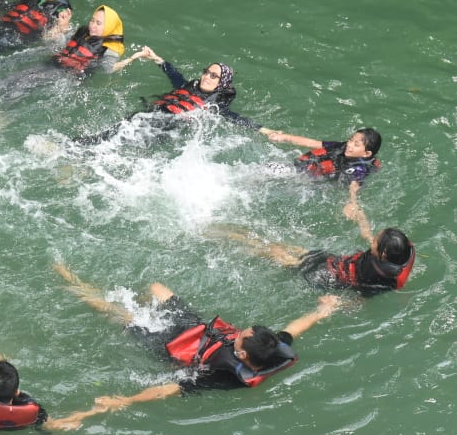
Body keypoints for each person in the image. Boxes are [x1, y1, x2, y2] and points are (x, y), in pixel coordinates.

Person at [52, 263, 339, 409]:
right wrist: (321, 312)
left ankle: (72, 285)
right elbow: (293, 329)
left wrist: (123, 401)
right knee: (156, 288)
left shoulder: (223, 376)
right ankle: (140, 308)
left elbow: (168, 389)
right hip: (195, 329)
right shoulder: (270, 350)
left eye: (241, 336)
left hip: (172, 346)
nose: (240, 332)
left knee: (119, 315)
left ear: (241, 354)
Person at [211, 189, 414, 296]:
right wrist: (357, 210)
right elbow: (368, 237)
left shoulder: (377, 276)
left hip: (326, 277)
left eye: (377, 242)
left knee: (274, 251)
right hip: (335, 262)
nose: (373, 240)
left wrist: (333, 306)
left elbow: (359, 299)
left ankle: (230, 239)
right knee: (284, 247)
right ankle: (232, 236)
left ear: (383, 255)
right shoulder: (403, 252)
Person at [75, 45, 257, 144]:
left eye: (213, 76)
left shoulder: (214, 105)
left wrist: (266, 131)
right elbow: (174, 74)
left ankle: (75, 150)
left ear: (221, 83)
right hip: (145, 118)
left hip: (160, 130)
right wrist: (156, 58)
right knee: (110, 135)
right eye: (206, 72)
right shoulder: (188, 86)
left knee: (113, 141)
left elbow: (235, 118)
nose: (206, 77)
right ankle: (78, 148)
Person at [259, 126, 381, 196]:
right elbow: (312, 143)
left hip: (315, 181)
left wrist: (352, 203)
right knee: (266, 169)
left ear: (367, 153)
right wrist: (284, 137)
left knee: (267, 174)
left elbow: (354, 186)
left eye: (356, 144)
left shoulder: (360, 168)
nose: (349, 145)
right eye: (350, 140)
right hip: (305, 171)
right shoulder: (341, 147)